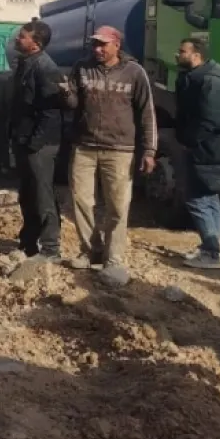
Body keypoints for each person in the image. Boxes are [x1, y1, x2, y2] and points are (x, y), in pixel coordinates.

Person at [61, 26, 157, 285]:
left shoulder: (134, 72)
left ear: (117, 45)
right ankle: (90, 250)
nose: (97, 49)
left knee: (118, 206)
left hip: (120, 150)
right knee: (81, 201)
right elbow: (72, 104)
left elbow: (147, 113)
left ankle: (113, 259)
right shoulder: (82, 68)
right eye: (95, 44)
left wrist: (149, 150)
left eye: (103, 45)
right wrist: (66, 92)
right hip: (84, 146)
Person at [174, 38, 220, 270]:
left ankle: (211, 252)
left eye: (182, 51)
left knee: (197, 198)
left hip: (208, 150)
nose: (177, 54)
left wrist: (190, 141)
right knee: (208, 197)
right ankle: (210, 247)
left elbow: (210, 120)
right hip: (207, 148)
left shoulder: (209, 81)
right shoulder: (195, 77)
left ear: (196, 55)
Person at [9, 20, 66, 266]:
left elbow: (51, 113)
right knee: (27, 194)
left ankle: (51, 247)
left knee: (43, 196)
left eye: (23, 36)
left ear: (36, 43)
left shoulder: (46, 68)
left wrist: (35, 143)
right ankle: (29, 242)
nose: (17, 39)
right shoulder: (26, 63)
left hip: (40, 144)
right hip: (24, 139)